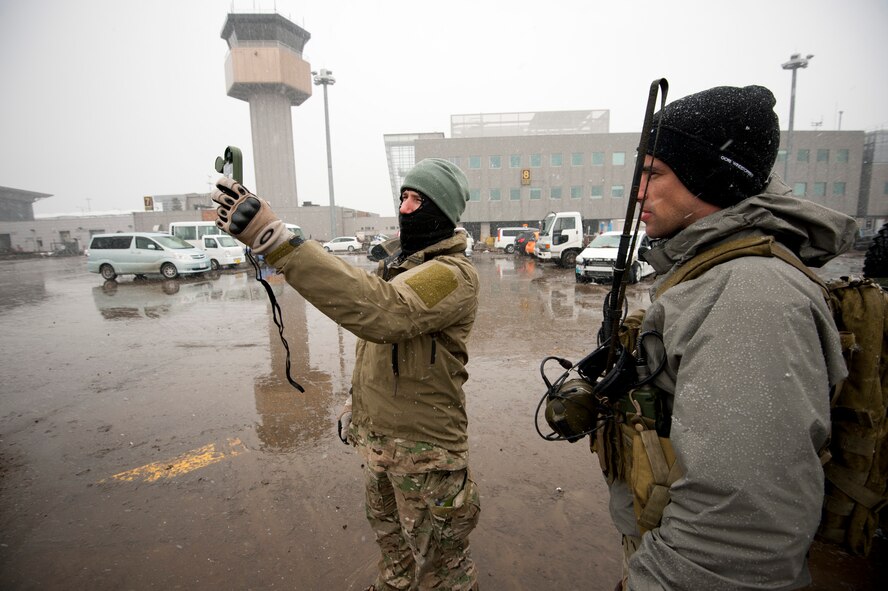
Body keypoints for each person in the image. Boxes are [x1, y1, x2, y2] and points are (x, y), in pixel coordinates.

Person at [599, 85, 856, 589]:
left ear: (710, 177)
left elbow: (737, 536)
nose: (638, 192)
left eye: (653, 174)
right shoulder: (707, 276)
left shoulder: (750, 296)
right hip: (660, 546)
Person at [211, 158, 481, 591]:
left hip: (426, 455)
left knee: (440, 570)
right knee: (393, 553)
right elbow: (374, 346)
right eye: (404, 197)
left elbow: (384, 314)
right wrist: (357, 404)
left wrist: (277, 240)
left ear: (445, 213)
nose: (406, 208)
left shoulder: (452, 276)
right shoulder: (400, 268)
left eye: (419, 200)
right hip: (379, 445)